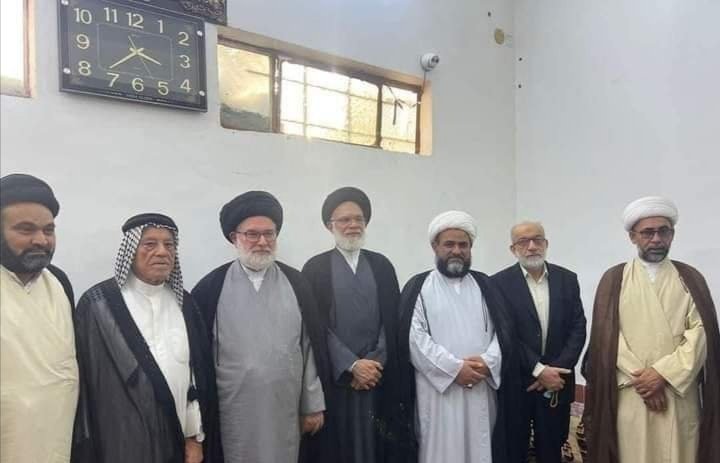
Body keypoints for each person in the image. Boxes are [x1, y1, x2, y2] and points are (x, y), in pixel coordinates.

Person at [192, 191, 330, 463]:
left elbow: (309, 347)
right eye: (252, 234)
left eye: (269, 234)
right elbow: (197, 359)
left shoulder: (297, 283)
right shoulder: (210, 289)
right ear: (234, 238)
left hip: (285, 406)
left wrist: (313, 404)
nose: (263, 242)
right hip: (232, 407)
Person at [71, 213, 219, 463]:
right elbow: (85, 385)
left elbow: (195, 377)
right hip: (118, 441)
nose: (162, 252)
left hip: (176, 440)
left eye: (169, 245)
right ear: (130, 251)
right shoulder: (98, 305)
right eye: (150, 244)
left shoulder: (185, 303)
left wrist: (194, 437)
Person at [584, 196, 720, 463]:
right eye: (648, 232)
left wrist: (663, 375)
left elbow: (701, 332)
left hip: (678, 392)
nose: (656, 239)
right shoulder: (614, 278)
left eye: (663, 231)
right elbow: (607, 337)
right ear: (633, 237)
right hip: (632, 392)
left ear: (672, 234)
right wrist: (645, 381)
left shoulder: (690, 277)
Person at [396, 210, 514, 463]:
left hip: (481, 387)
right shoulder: (419, 286)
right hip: (437, 393)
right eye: (449, 244)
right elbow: (414, 339)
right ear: (435, 247)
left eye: (463, 245)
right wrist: (454, 369)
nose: (457, 251)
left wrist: (487, 363)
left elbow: (504, 332)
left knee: (480, 448)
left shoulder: (486, 285)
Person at [302, 187, 401, 463]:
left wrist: (374, 363)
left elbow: (392, 320)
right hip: (337, 380)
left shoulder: (382, 265)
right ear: (329, 225)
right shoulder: (315, 268)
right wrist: (352, 365)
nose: (353, 225)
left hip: (377, 378)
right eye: (344, 219)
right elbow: (315, 327)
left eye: (358, 219)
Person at [492, 221, 586, 463]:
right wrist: (538, 370)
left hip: (557, 382)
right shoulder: (498, 284)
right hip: (518, 382)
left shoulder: (567, 279)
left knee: (552, 447)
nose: (532, 246)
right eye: (523, 241)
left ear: (546, 243)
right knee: (514, 449)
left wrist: (556, 370)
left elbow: (578, 328)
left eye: (538, 240)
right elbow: (505, 333)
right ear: (513, 249)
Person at [0, 173, 78, 463]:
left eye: (49, 230)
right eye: (25, 229)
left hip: (57, 442)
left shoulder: (59, 283)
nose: (41, 240)